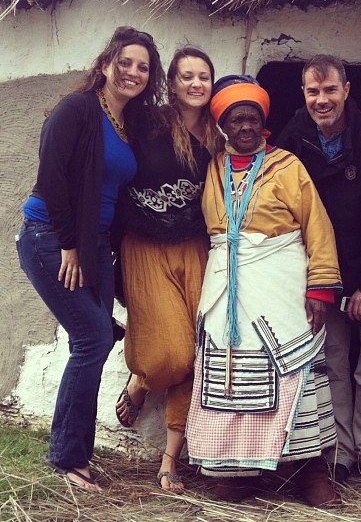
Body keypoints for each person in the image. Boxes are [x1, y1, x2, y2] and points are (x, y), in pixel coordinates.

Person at [16, 26, 164, 492]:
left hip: (97, 243)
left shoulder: (130, 123)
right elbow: (52, 179)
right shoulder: (76, 109)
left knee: (95, 340)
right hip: (51, 237)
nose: (133, 73)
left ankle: (71, 450)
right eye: (125, 62)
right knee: (93, 337)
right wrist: (69, 247)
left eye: (143, 67)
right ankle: (67, 457)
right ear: (105, 64)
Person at [185, 75, 343, 507]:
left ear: (263, 123)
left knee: (297, 372)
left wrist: (320, 289)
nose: (245, 128)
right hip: (226, 289)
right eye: (236, 121)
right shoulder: (213, 167)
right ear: (224, 127)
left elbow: (317, 227)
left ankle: (311, 473)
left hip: (282, 286)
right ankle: (240, 471)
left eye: (252, 119)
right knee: (233, 376)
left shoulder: (288, 166)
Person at [276, 55, 361, 490]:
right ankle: (339, 455)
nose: (322, 99)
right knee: (332, 366)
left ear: (347, 90)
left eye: (330, 90)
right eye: (313, 91)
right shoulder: (293, 135)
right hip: (324, 272)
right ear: (304, 94)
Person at [114, 46, 221, 493]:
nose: (196, 84)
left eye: (204, 77)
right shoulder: (148, 123)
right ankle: (142, 379)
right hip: (144, 246)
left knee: (197, 352)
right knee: (169, 356)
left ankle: (169, 460)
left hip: (194, 247)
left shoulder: (220, 136)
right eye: (187, 77)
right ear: (172, 83)